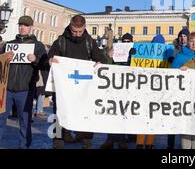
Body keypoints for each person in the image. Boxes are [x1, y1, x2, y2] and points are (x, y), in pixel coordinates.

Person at [48, 14, 106, 149]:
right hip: (63, 87)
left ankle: (86, 142)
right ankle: (58, 142)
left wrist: (100, 62)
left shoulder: (89, 41)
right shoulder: (61, 41)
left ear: (84, 28)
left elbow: (100, 57)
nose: (77, 34)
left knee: (85, 113)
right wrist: (50, 60)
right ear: (70, 26)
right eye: (74, 31)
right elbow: (50, 56)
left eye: (80, 31)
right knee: (59, 113)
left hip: (83, 87)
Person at [0, 15, 49, 149]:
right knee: (1, 119)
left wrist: (36, 59)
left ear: (31, 27)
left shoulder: (38, 46)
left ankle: (24, 146)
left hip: (25, 90)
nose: (22, 28)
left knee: (25, 121)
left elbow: (45, 64)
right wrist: (4, 57)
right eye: (21, 25)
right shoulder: (9, 44)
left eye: (26, 25)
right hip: (7, 89)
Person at [99, 33, 134, 149]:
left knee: (123, 114)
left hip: (128, 87)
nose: (126, 43)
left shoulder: (134, 52)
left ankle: (122, 140)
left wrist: (133, 57)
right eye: (124, 41)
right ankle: (110, 139)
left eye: (129, 41)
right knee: (112, 114)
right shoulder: (115, 52)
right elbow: (107, 67)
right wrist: (109, 56)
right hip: (114, 87)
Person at [135, 34, 166, 150]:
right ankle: (139, 143)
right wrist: (131, 55)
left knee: (153, 119)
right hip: (144, 90)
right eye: (156, 44)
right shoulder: (144, 54)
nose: (158, 47)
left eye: (160, 45)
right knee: (142, 118)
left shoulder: (165, 56)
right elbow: (133, 66)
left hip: (157, 93)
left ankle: (149, 143)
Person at [168, 28, 189, 149]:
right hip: (173, 83)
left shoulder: (191, 49)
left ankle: (184, 144)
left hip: (186, 85)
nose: (182, 38)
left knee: (184, 116)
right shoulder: (172, 48)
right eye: (181, 36)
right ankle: (170, 144)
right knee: (172, 115)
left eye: (185, 36)